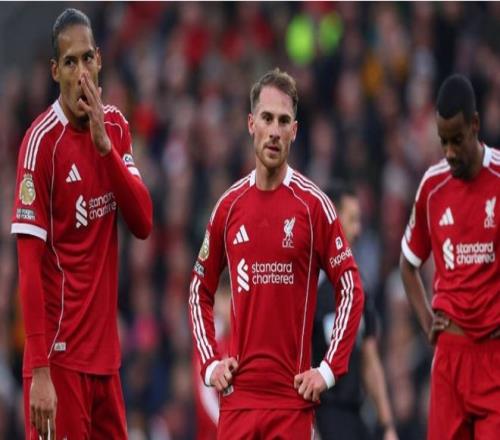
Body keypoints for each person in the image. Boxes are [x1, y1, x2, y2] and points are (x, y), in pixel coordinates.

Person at [189, 68, 364, 438]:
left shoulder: (314, 207)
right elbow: (198, 289)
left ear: (294, 131)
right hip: (237, 401)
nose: (274, 130)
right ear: (251, 124)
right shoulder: (229, 207)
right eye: (267, 118)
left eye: (283, 121)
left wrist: (328, 370)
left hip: (291, 402)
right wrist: (210, 363)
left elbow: (350, 287)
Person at [11, 8, 152, 439]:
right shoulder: (40, 145)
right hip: (58, 363)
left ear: (100, 60)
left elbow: (143, 222)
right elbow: (28, 268)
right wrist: (40, 371)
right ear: (55, 71)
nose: (81, 73)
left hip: (105, 363)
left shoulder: (115, 128)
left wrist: (105, 148)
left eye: (87, 58)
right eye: (70, 63)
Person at [400, 74, 500, 439]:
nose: (450, 152)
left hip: (494, 356)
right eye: (443, 142)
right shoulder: (432, 186)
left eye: (457, 140)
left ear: (475, 125)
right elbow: (408, 264)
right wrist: (427, 322)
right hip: (450, 357)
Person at [313, 182, 398, 440]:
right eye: (352, 220)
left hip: (354, 417)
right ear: (332, 222)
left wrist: (386, 425)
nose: (358, 230)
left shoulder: (359, 288)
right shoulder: (306, 289)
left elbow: (370, 360)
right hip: (320, 417)